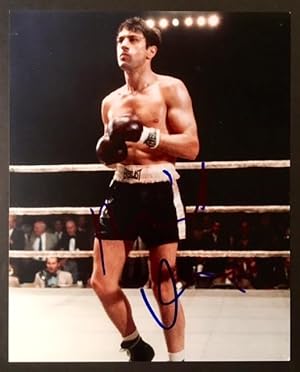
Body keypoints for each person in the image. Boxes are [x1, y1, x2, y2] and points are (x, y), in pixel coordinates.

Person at [91, 17, 199, 362]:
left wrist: (147, 135)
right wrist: (109, 154)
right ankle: (135, 344)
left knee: (162, 285)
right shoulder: (110, 102)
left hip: (159, 188)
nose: (124, 45)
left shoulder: (171, 89)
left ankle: (176, 360)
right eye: (120, 39)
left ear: (150, 50)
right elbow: (115, 156)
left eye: (133, 40)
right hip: (122, 187)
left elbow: (192, 146)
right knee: (102, 282)